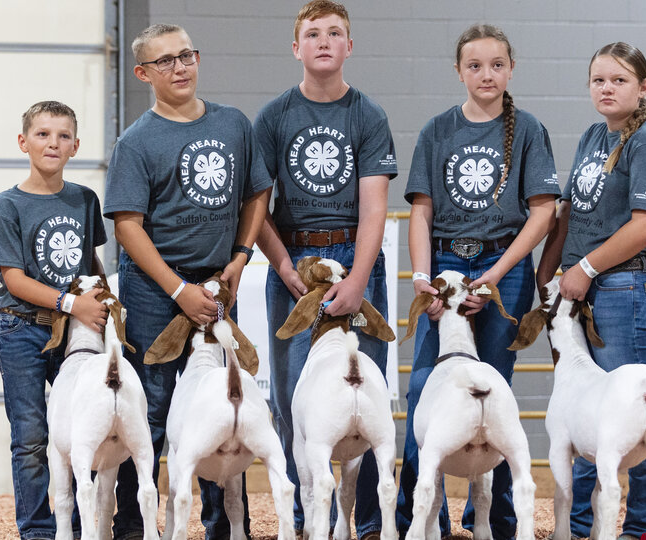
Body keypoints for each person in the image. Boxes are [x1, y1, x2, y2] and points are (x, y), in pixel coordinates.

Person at [103, 24, 271, 540]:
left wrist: (242, 257)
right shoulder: (135, 142)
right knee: (148, 410)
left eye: (187, 56)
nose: (180, 68)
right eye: (166, 61)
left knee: (225, 404)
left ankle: (221, 526)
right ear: (143, 73)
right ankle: (134, 525)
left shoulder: (233, 124)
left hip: (220, 285)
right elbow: (127, 225)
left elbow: (256, 193)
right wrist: (178, 290)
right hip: (156, 292)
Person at [396, 24, 560, 540]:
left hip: (502, 270)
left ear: (511, 69)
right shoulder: (436, 130)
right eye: (474, 65)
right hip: (444, 266)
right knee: (426, 386)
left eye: (495, 65)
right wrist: (423, 277)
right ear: (458, 71)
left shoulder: (529, 129)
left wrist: (495, 275)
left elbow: (543, 213)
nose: (485, 74)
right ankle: (421, 520)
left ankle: (496, 521)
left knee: (495, 390)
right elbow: (420, 212)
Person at [252, 1, 398, 538]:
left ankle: (368, 525)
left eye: (335, 33)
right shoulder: (273, 118)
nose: (323, 41)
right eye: (312, 33)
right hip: (296, 265)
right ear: (296, 47)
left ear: (348, 47)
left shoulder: (368, 115)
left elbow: (374, 207)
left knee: (368, 394)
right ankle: (304, 518)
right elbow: (257, 208)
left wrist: (359, 280)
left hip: (357, 261)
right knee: (293, 400)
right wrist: (284, 263)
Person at [536, 41, 646, 540]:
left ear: (643, 88)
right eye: (598, 79)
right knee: (588, 414)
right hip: (586, 287)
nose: (607, 88)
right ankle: (580, 525)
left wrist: (587, 268)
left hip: (625, 285)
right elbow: (571, 211)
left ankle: (643, 527)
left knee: (632, 413)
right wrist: (548, 271)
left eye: (619, 80)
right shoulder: (593, 137)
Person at [0, 100, 109, 540]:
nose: (52, 143)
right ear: (24, 142)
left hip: (73, 334)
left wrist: (99, 298)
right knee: (32, 436)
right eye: (42, 134)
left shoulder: (84, 200)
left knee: (77, 430)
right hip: (22, 328)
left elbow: (89, 259)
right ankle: (38, 531)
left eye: (62, 136)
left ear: (76, 146)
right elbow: (14, 279)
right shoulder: (8, 205)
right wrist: (73, 305)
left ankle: (75, 526)